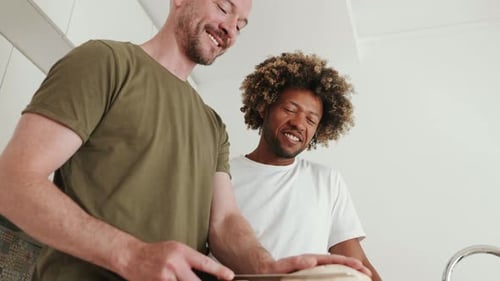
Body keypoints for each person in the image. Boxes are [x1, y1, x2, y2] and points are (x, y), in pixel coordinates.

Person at [0, 1, 372, 281]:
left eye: (241, 25)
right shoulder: (106, 62)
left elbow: (224, 221)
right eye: (224, 8)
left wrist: (268, 268)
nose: (230, 29)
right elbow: (13, 182)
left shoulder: (212, 125)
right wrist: (130, 254)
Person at [231, 52, 382, 281]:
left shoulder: (326, 181)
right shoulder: (223, 174)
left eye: (311, 120)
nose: (299, 123)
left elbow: (356, 262)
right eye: (290, 110)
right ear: (263, 107)